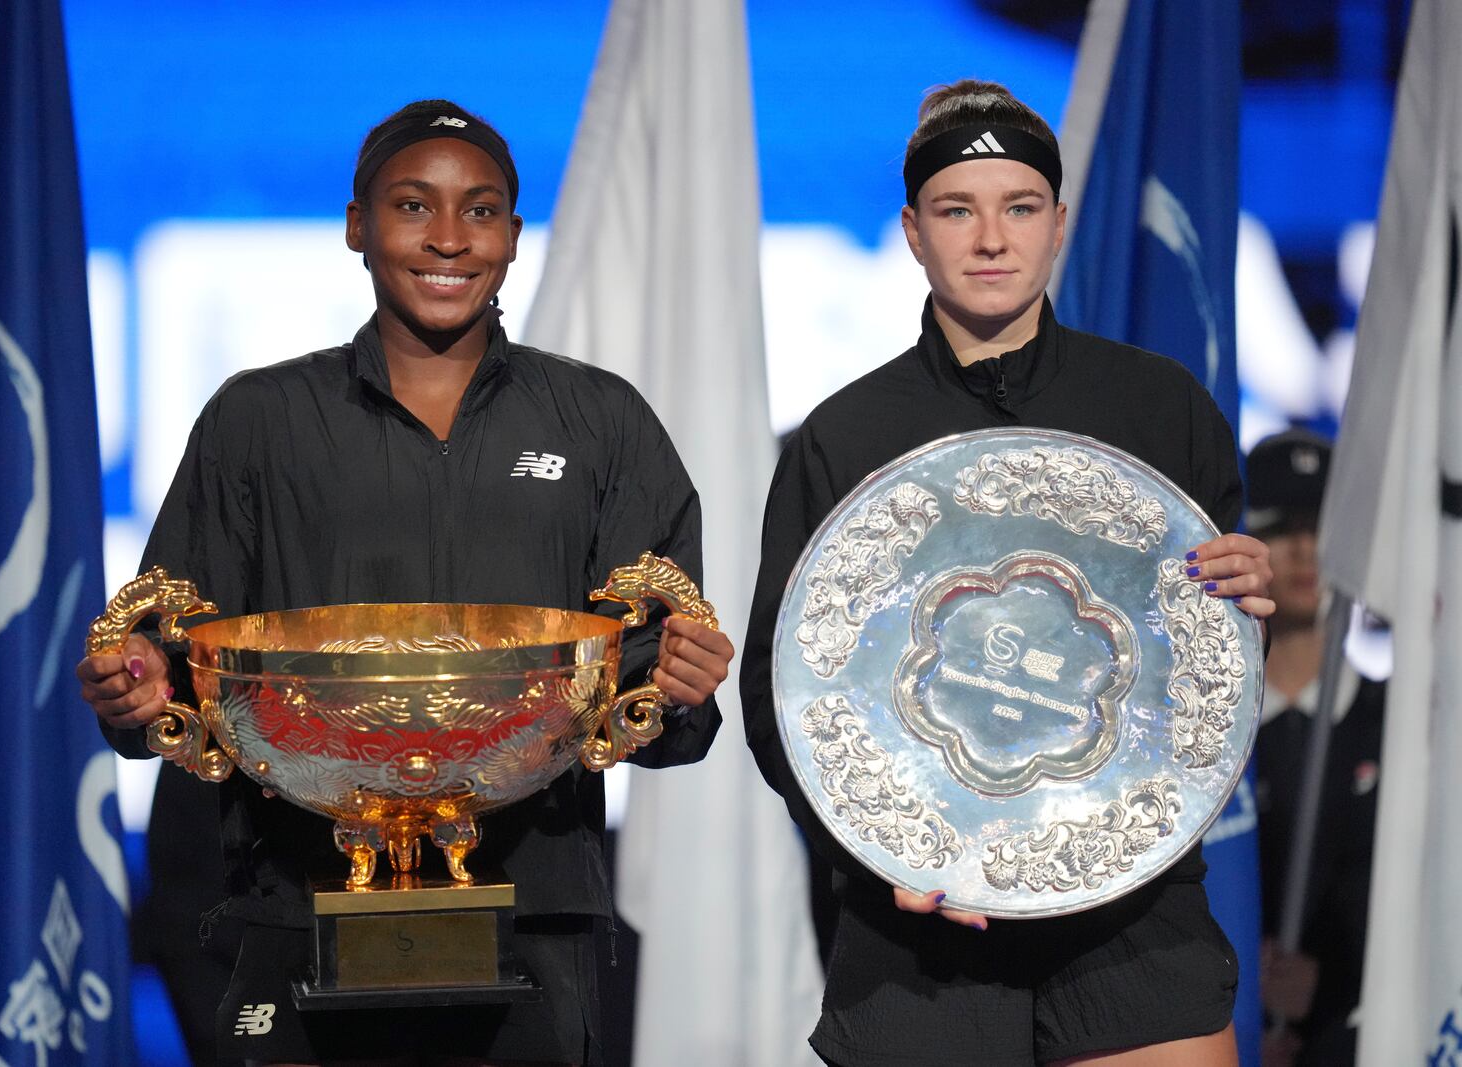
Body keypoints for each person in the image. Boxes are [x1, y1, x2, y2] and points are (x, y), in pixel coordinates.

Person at [75, 99, 734, 1067]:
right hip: (296, 903)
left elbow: (651, 680)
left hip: (534, 909)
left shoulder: (600, 422)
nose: (447, 239)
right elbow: (173, 658)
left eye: (479, 211)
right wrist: (134, 689)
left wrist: (678, 685)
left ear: (512, 233)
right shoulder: (257, 420)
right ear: (357, 225)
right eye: (412, 205)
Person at [741, 80, 1276, 1067]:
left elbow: (1202, 666)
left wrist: (1246, 598)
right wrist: (872, 849)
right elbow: (784, 686)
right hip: (919, 927)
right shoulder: (846, 435)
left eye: (1018, 207)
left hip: (1133, 914)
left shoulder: (1160, 407)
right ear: (911, 229)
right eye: (957, 210)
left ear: (1059, 222)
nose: (990, 237)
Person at [1244, 430, 1383, 1067]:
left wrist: (1324, 988)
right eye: (1280, 527)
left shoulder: (1398, 723)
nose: (1305, 551)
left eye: (1320, 526)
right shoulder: (1207, 731)